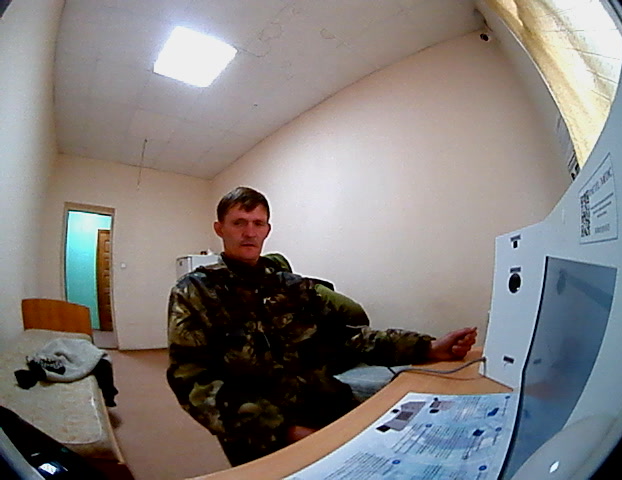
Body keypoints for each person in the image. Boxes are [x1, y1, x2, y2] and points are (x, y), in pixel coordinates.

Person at [167, 186, 477, 466]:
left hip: (325, 404)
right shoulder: (194, 291)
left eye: (258, 223)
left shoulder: (292, 286)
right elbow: (192, 382)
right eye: (239, 223)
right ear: (219, 228)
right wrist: (286, 430)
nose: (249, 233)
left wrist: (427, 347)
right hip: (260, 432)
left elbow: (347, 337)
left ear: (267, 230)